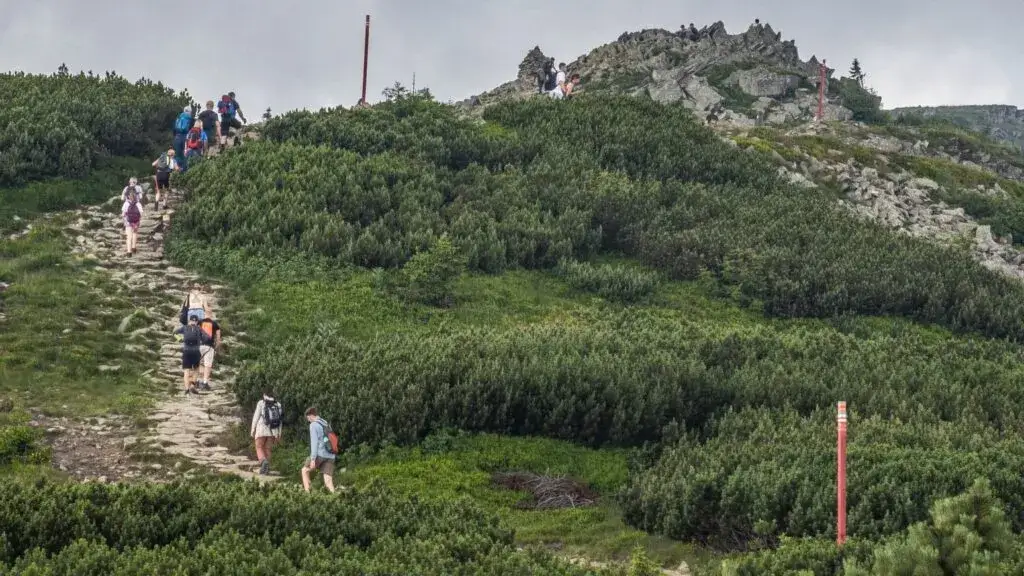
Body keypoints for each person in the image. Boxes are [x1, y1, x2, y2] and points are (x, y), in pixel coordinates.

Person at [173, 314, 212, 395]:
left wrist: (180, 339)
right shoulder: (199, 329)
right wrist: (202, 341)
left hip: (186, 351)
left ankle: (187, 390)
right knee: (196, 369)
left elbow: (174, 333)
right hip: (196, 351)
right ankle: (193, 384)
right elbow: (207, 338)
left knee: (186, 371)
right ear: (197, 322)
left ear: (189, 320)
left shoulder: (184, 328)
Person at [301, 407, 336, 493]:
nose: (308, 420)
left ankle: (308, 495)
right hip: (331, 454)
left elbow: (314, 443)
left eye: (308, 418)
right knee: (328, 480)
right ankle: (334, 498)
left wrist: (313, 459)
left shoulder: (313, 425)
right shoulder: (325, 422)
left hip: (320, 454)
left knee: (304, 470)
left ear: (311, 416)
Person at [250, 390, 283, 475]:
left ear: (264, 394)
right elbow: (280, 421)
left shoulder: (261, 403)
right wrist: (278, 434)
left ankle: (263, 462)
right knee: (267, 449)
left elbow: (256, 416)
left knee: (259, 447)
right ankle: (266, 469)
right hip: (273, 430)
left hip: (262, 428)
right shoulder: (278, 405)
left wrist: (253, 429)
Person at [197, 302, 221, 391]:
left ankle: (197, 381)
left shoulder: (199, 322)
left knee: (198, 363)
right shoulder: (215, 324)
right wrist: (217, 348)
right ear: (211, 314)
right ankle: (205, 382)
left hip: (199, 346)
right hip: (209, 347)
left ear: (204, 313)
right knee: (208, 365)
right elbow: (218, 339)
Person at [121, 189, 143, 256]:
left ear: (127, 196)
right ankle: (134, 247)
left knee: (128, 236)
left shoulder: (126, 203)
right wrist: (139, 219)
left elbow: (123, 214)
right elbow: (141, 213)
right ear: (136, 196)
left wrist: (124, 219)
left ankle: (129, 252)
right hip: (136, 221)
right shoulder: (138, 203)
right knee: (134, 233)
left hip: (128, 221)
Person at [172, 106, 194, 172]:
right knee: (185, 154)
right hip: (185, 137)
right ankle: (184, 171)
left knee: (177, 155)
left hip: (177, 137)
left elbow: (174, 129)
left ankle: (176, 170)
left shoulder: (178, 117)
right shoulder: (191, 119)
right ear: (190, 112)